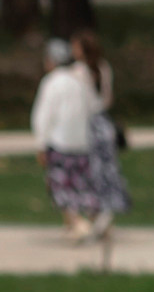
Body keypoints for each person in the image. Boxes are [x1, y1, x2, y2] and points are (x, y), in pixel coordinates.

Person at [29, 33, 98, 240]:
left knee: (61, 186)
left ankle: (78, 223)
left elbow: (42, 117)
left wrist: (41, 145)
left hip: (60, 143)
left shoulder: (51, 83)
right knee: (80, 183)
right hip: (82, 142)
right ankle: (85, 221)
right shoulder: (80, 81)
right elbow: (93, 108)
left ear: (51, 61)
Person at [73, 29, 130, 242]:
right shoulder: (104, 67)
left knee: (88, 172)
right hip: (104, 123)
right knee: (106, 171)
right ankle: (105, 216)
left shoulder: (77, 72)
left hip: (87, 125)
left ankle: (96, 216)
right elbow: (108, 99)